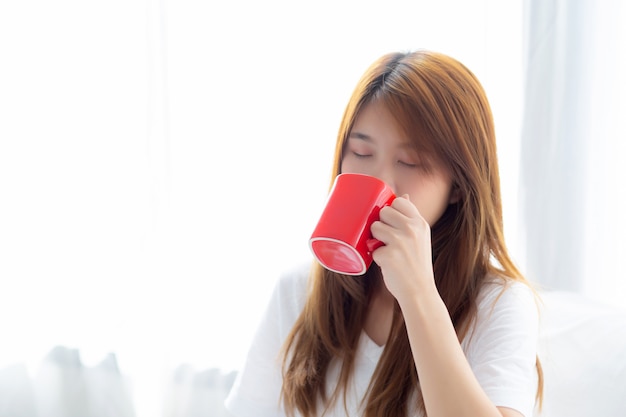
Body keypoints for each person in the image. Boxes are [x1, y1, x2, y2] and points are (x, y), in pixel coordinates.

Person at [224, 50, 543, 417]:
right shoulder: (298, 291)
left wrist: (419, 295)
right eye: (360, 152)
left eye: (409, 162)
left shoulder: (499, 305)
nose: (379, 181)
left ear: (458, 186)